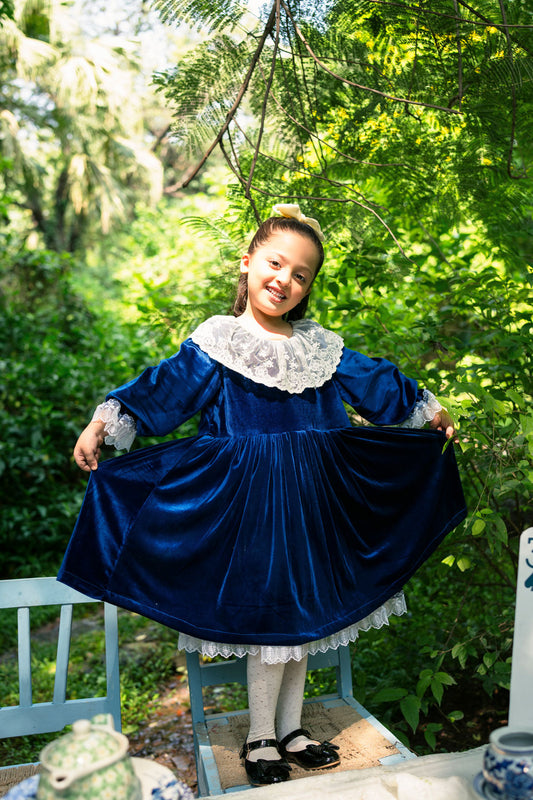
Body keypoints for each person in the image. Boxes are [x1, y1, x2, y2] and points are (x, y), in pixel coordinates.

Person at [59, 204, 466, 786]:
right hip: (249, 511)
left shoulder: (319, 348)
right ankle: (259, 737)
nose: (285, 280)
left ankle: (293, 728)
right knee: (271, 619)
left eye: (301, 274)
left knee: (306, 619)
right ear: (249, 263)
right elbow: (165, 388)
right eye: (276, 263)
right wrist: (104, 422)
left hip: (314, 507)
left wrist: (429, 411)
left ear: (308, 287)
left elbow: (375, 380)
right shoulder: (222, 342)